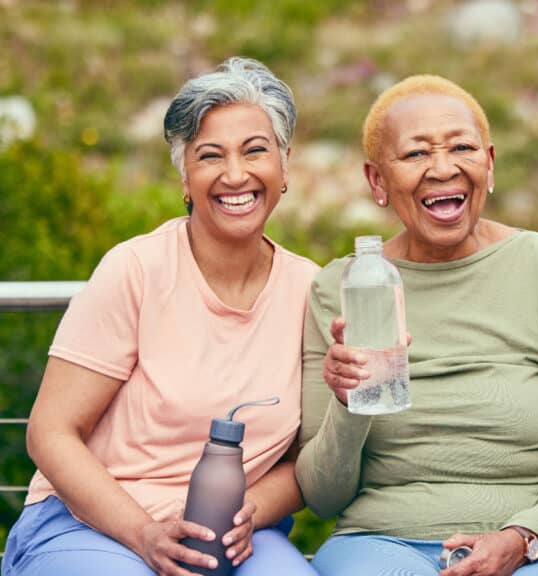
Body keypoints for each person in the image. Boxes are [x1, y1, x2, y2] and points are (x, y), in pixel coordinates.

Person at [2, 58, 320, 576]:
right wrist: (144, 534)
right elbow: (49, 432)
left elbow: (305, 463)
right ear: (185, 179)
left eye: (255, 151)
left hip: (236, 537)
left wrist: (250, 513)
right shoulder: (136, 270)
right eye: (209, 156)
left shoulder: (312, 288)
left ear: (284, 168)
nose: (235, 174)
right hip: (94, 523)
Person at [296, 74, 538, 576]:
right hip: (383, 544)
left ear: (488, 165)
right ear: (377, 181)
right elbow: (322, 497)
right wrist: (348, 402)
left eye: (461, 148)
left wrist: (523, 538)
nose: (442, 168)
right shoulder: (342, 286)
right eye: (416, 154)